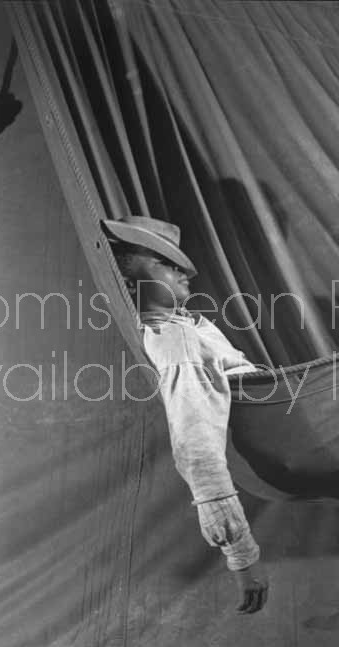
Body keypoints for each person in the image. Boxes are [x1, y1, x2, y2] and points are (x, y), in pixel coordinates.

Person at [103, 215, 268, 614]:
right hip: (286, 437)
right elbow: (195, 438)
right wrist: (242, 557)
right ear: (128, 279)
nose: (182, 272)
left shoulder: (190, 327)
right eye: (163, 263)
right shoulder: (172, 338)